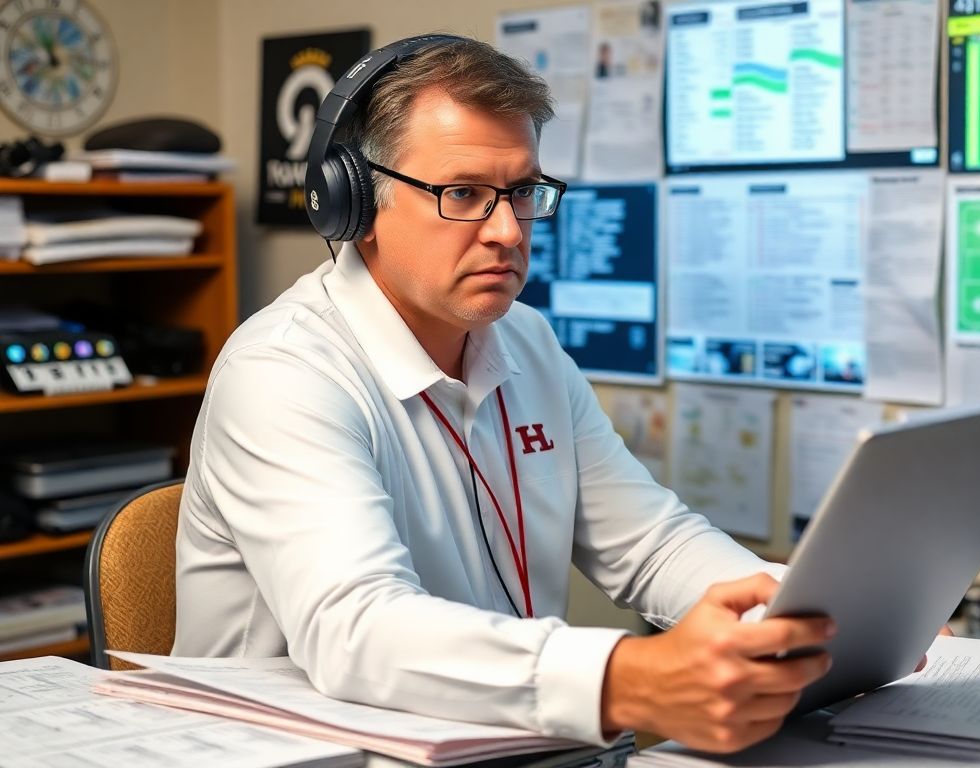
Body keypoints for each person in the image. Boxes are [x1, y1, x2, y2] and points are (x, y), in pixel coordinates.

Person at [173, 36, 833, 753]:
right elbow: (356, 628)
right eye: (464, 194)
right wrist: (629, 678)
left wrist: (810, 615)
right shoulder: (283, 370)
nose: (507, 230)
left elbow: (650, 544)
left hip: (495, 746)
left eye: (523, 192)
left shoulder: (528, 342)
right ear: (354, 202)